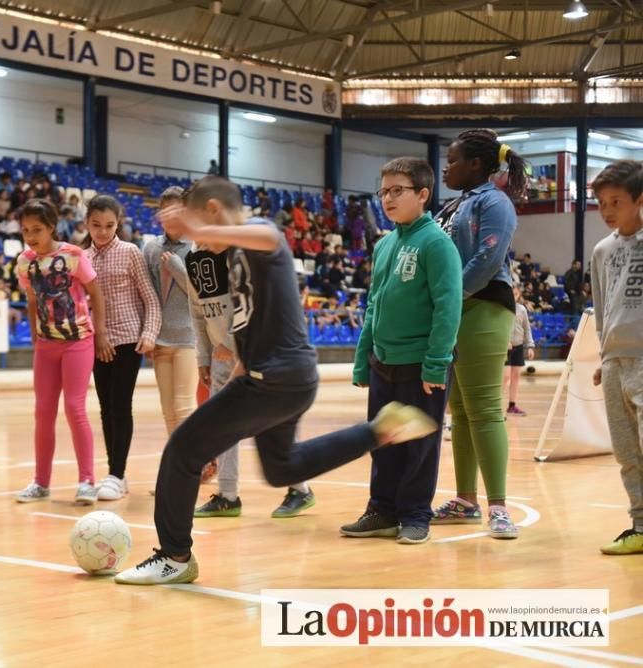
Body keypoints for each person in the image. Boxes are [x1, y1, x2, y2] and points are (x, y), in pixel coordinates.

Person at [113, 176, 439, 585]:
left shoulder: (261, 234)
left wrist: (197, 229)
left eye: (201, 226)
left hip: (278, 379)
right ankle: (379, 431)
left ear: (213, 212)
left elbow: (268, 239)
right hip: (280, 378)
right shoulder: (234, 257)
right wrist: (238, 369)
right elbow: (254, 319)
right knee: (282, 469)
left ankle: (174, 556)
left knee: (181, 452)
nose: (200, 242)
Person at [339, 158, 462, 545]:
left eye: (397, 191)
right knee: (383, 440)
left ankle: (414, 515)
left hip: (421, 365)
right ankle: (382, 511)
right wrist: (363, 358)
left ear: (422, 195)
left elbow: (448, 306)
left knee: (419, 446)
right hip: (383, 363)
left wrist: (436, 364)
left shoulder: (437, 244)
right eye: (383, 191)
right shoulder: (385, 244)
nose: (387, 199)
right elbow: (373, 305)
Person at [430, 129, 528, 539]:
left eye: (452, 160)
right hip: (453, 310)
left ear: (475, 164)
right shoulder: (453, 205)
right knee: (461, 411)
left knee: (486, 407)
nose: (446, 167)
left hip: (484, 306)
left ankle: (499, 507)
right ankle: (466, 500)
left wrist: (450, 298)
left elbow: (488, 258)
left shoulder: (495, 202)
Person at [14, 200, 108, 505]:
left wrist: (101, 333)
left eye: (37, 229)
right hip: (46, 345)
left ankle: (87, 481)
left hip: (78, 340)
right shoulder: (24, 262)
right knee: (42, 412)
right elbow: (31, 301)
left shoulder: (73, 255)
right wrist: (35, 338)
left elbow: (96, 293)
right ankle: (41, 483)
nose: (30, 235)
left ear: (52, 226)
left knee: (74, 408)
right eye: (26, 230)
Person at [83, 195, 161, 501]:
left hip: (128, 339)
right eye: (96, 225)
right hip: (96, 342)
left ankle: (116, 473)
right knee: (105, 408)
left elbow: (150, 298)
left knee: (120, 404)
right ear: (86, 222)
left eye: (109, 225)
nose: (102, 231)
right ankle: (117, 475)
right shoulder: (82, 257)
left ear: (120, 223)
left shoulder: (130, 253)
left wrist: (150, 333)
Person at [589, 160, 643, 555]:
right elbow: (602, 306)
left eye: (616, 201)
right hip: (614, 363)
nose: (607, 210)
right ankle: (640, 525)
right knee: (627, 453)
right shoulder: (602, 250)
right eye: (601, 202)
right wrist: (603, 354)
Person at [142, 187, 197, 437]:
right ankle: (179, 467)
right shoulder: (150, 249)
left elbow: (199, 296)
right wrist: (149, 334)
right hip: (160, 340)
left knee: (184, 407)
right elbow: (147, 296)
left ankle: (191, 464)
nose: (171, 217)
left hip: (188, 338)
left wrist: (177, 268)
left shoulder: (196, 248)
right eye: (165, 212)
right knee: (168, 410)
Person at [503, 284, 535, 417]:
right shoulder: (502, 308)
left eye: (516, 294)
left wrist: (530, 346)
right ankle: (496, 407)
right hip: (505, 348)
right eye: (512, 293)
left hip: (518, 346)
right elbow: (499, 328)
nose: (514, 296)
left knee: (516, 377)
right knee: (505, 377)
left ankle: (512, 405)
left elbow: (527, 328)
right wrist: (505, 341)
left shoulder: (522, 310)